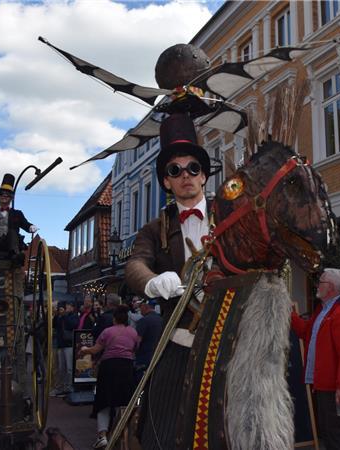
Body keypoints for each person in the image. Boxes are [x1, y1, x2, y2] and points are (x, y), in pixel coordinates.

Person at [123, 113, 213, 449]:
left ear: (204, 175)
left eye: (193, 168)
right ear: (166, 181)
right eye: (175, 170)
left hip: (230, 342)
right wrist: (152, 281)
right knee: (159, 426)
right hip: (179, 341)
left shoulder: (231, 215)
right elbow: (134, 265)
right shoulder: (152, 229)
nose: (185, 176)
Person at [290, 268, 340, 450]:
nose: (317, 285)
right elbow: (305, 332)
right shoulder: (323, 310)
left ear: (330, 287)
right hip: (323, 385)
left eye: (320, 282)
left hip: (334, 387)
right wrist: (289, 314)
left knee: (338, 435)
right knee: (329, 433)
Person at [79, 305, 139, 449]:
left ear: (114, 319)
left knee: (103, 400)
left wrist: (84, 350)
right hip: (126, 367)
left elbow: (96, 349)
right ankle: (121, 432)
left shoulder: (107, 331)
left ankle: (102, 436)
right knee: (124, 400)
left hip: (109, 367)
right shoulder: (133, 332)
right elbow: (135, 349)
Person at [134, 299, 163, 380]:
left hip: (143, 358)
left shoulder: (144, 321)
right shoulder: (161, 319)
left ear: (145, 306)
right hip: (156, 356)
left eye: (141, 306)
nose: (140, 309)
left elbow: (137, 341)